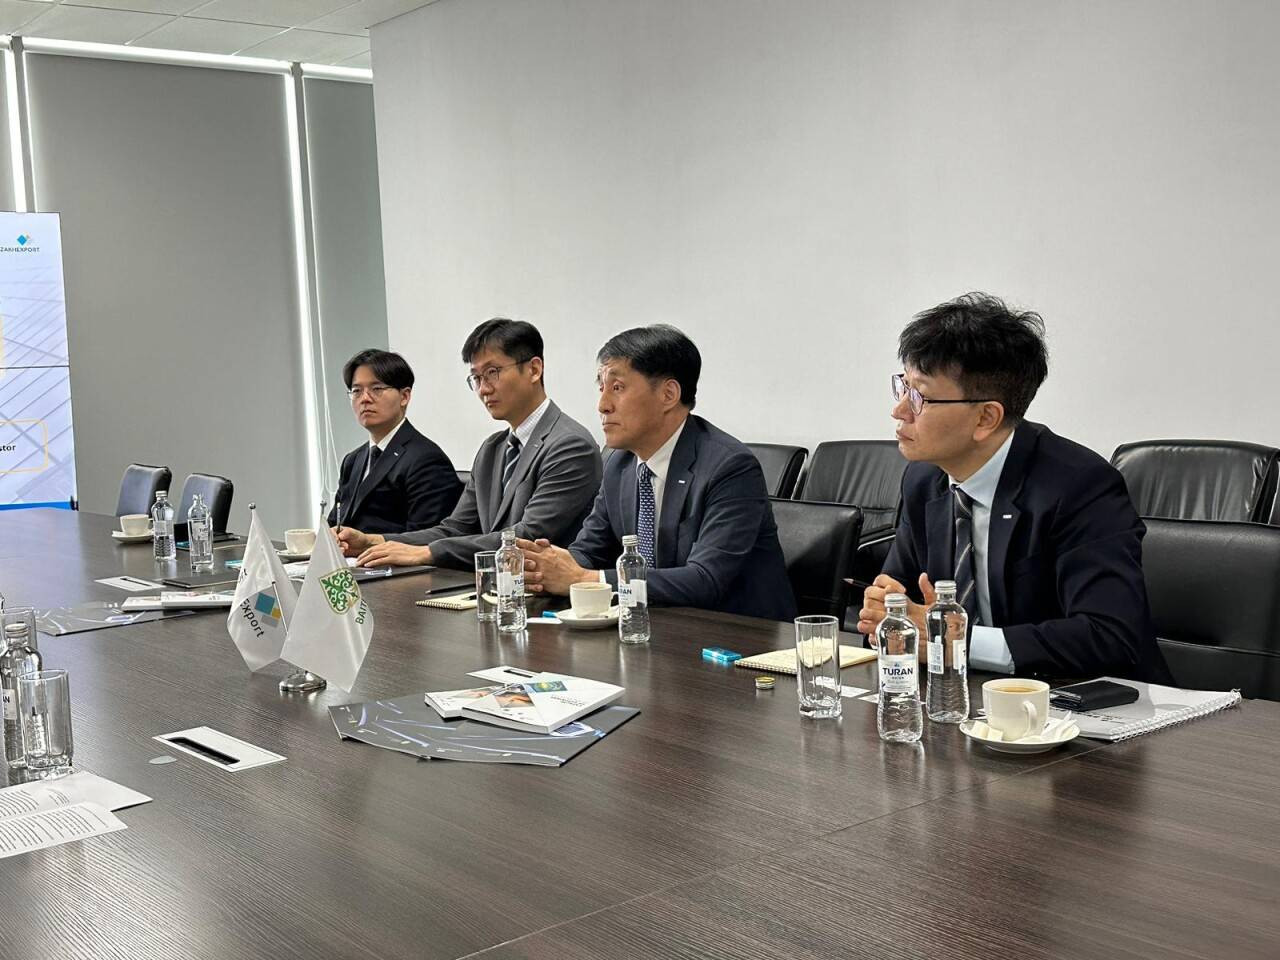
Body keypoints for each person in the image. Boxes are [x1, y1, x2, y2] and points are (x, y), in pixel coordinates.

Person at [856, 292, 1173, 683]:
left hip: (1088, 704)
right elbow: (899, 607)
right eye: (902, 387)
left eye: (919, 395)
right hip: (969, 696)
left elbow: (1109, 636)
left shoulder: (1080, 487)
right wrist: (885, 613)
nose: (900, 409)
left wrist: (959, 641)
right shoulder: (924, 479)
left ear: (986, 418)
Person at [520, 324, 796, 622]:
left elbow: (705, 580)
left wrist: (587, 579)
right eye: (601, 388)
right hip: (653, 626)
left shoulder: (730, 468)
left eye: (617, 388)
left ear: (668, 394)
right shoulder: (618, 464)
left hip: (736, 634)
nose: (602, 405)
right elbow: (590, 551)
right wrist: (544, 566)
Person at [338, 319, 602, 569]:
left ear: (534, 369)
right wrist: (373, 541)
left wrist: (429, 553)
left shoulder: (569, 445)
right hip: (494, 586)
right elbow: (455, 528)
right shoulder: (492, 449)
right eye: (476, 378)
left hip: (546, 593)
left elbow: (527, 536)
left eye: (492, 373)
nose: (483, 389)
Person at [327, 349, 463, 536]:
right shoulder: (352, 460)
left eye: (376, 389)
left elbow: (426, 538)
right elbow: (335, 524)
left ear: (404, 396)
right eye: (357, 391)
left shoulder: (427, 459)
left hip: (393, 555)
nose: (365, 399)